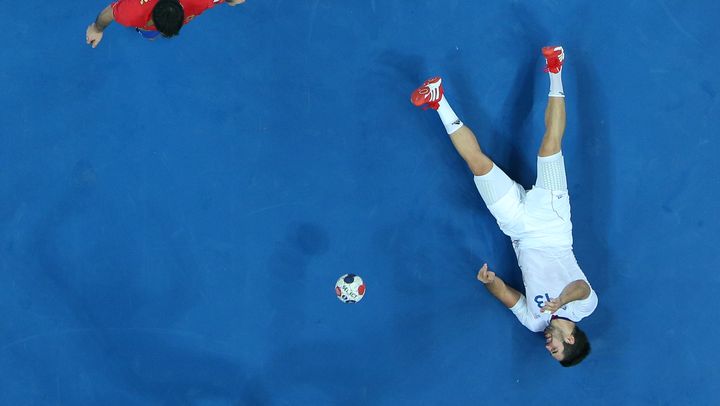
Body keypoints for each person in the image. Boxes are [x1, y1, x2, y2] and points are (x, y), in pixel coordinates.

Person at [410, 46, 598, 367]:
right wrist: (561, 300)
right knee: (550, 143)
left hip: (518, 229)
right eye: (555, 349)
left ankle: (438, 99)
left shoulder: (535, 322)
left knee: (478, 164)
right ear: (570, 339)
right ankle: (556, 69)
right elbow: (581, 288)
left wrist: (491, 283)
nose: (547, 346)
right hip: (552, 221)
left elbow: (510, 299)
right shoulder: (585, 308)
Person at [86, 0, 246, 48]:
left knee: (150, 36)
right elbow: (108, 14)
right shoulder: (130, 12)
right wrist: (97, 28)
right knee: (149, 35)